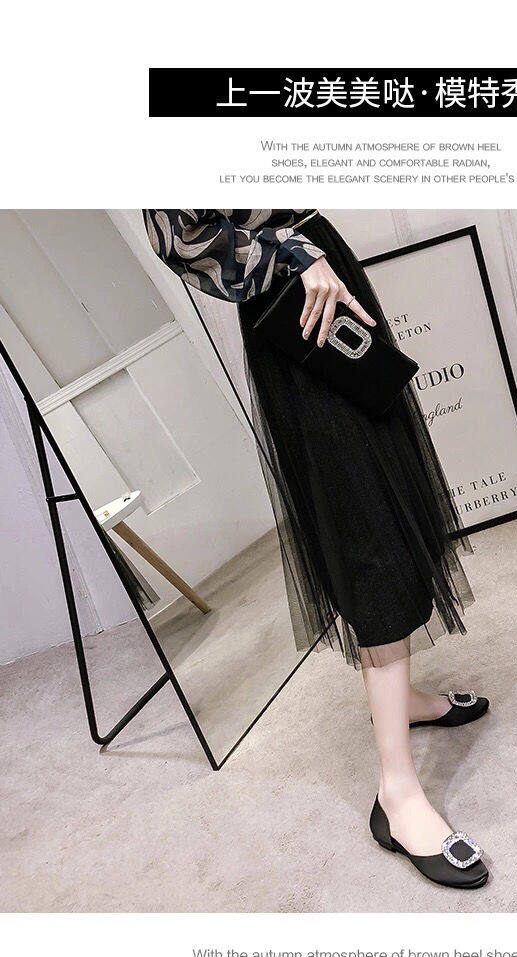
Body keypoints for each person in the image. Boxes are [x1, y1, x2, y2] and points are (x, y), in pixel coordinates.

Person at [144, 209, 490, 888]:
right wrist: (295, 255)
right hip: (293, 297)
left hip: (321, 273)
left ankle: (400, 698)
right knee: (366, 528)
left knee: (386, 495)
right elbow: (181, 236)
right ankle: (397, 795)